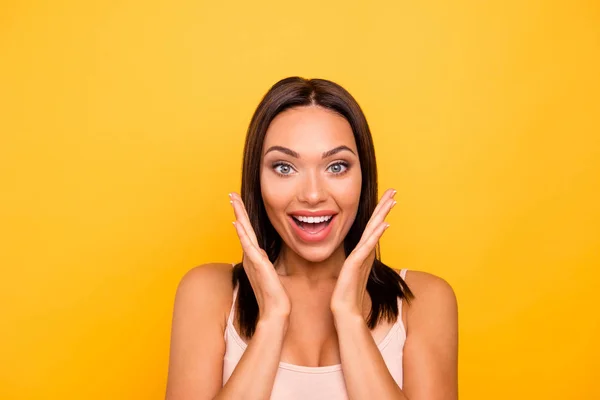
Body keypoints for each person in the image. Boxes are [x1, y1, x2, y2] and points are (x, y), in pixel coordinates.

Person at [165, 77, 458, 399]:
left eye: (336, 166)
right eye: (284, 167)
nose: (313, 194)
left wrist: (348, 317)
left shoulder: (423, 300)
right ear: (257, 179)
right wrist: (272, 320)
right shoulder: (210, 292)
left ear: (364, 176)